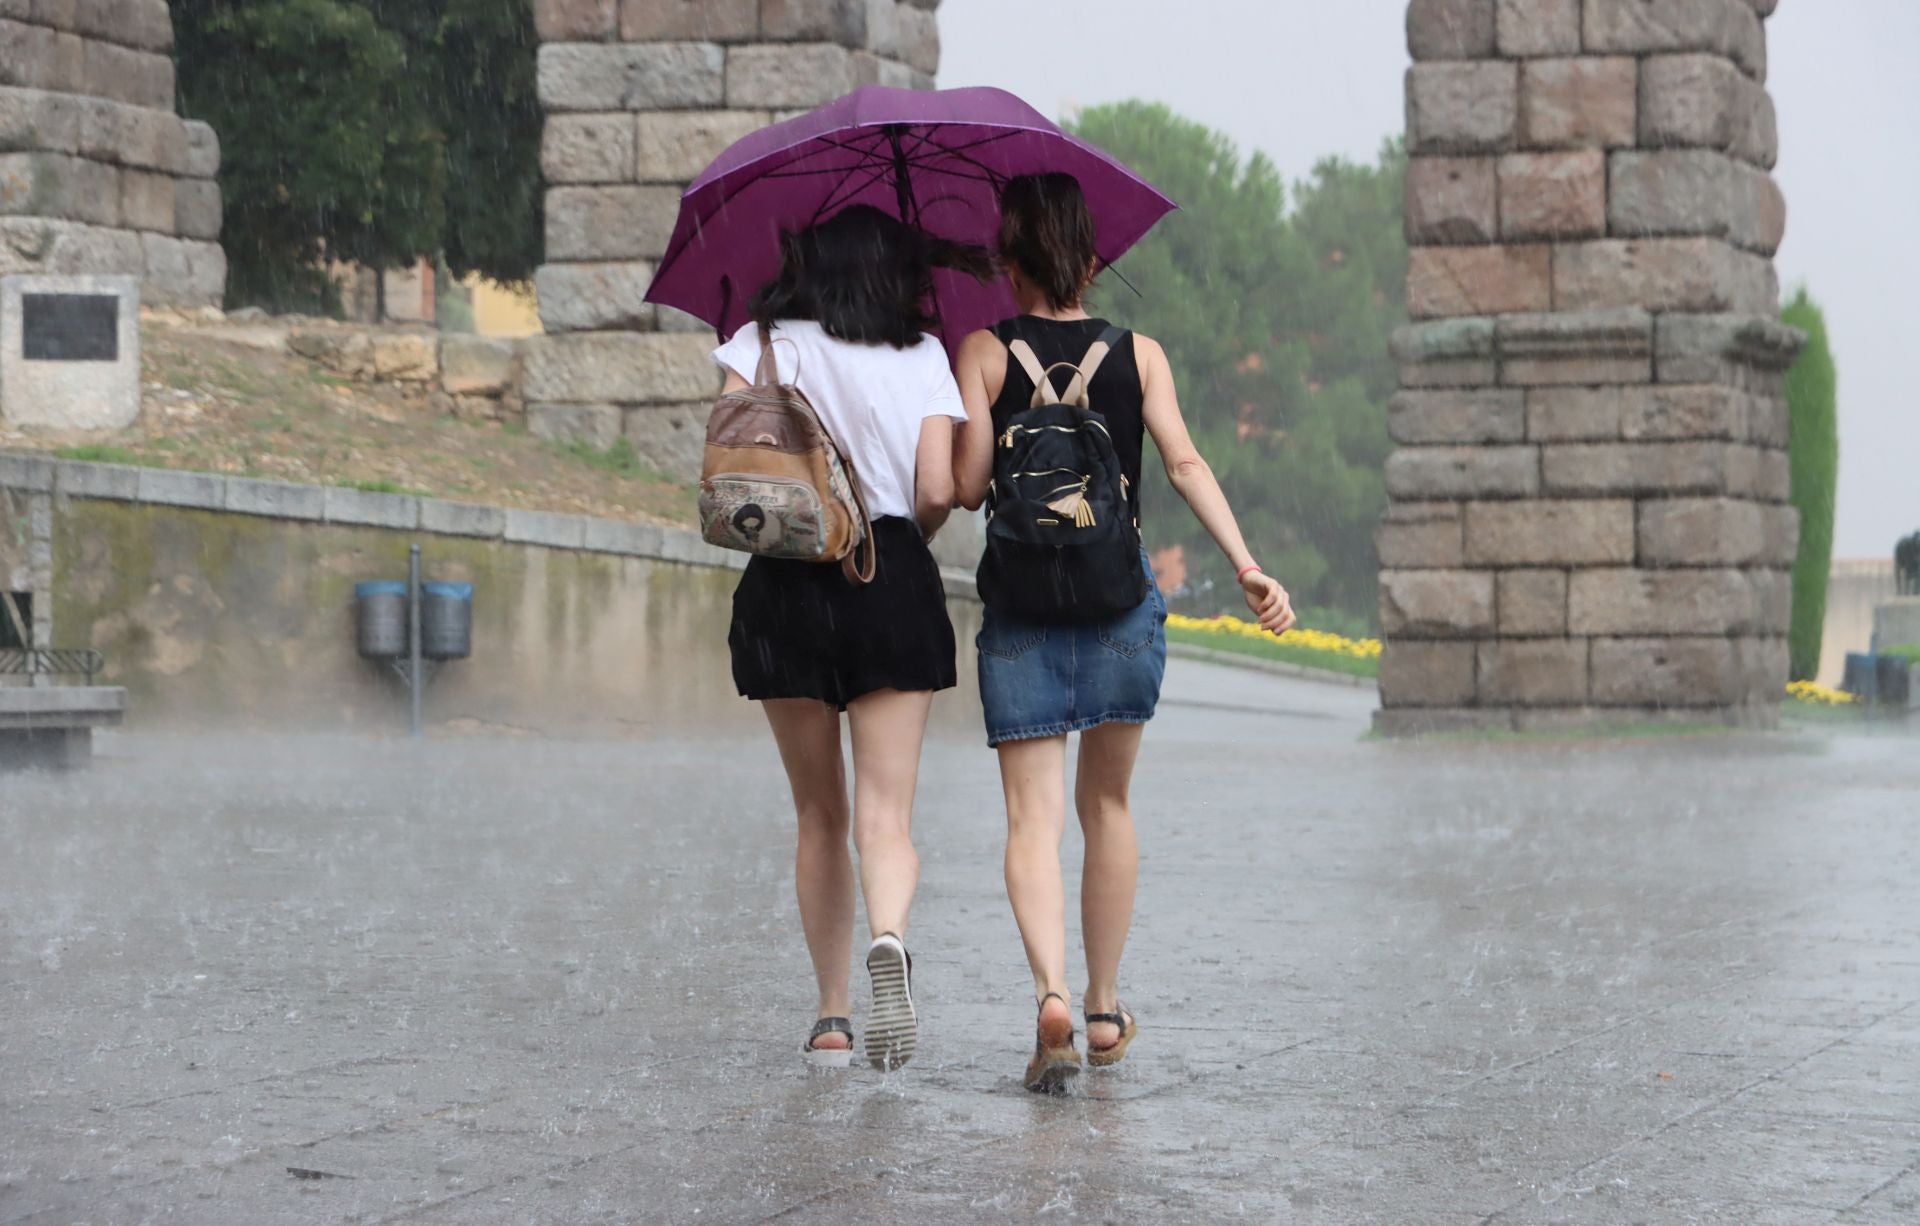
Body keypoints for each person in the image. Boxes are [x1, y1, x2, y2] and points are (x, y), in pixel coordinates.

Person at [952, 173, 1297, 1092]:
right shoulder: (1139, 354)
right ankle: (1103, 1010)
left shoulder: (984, 353)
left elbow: (962, 486)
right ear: (1093, 261)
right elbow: (1182, 461)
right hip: (1119, 608)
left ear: (1008, 258)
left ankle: (1051, 997)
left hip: (1022, 608)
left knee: (1031, 818)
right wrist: (1247, 563)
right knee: (1106, 810)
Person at [714, 204, 992, 1072]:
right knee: (886, 814)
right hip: (892, 577)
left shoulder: (761, 342)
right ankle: (890, 937)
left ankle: (832, 1018)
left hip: (787, 581)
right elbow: (938, 489)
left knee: (817, 812)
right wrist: (909, 514)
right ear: (893, 271)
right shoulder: (921, 357)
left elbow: (729, 462)